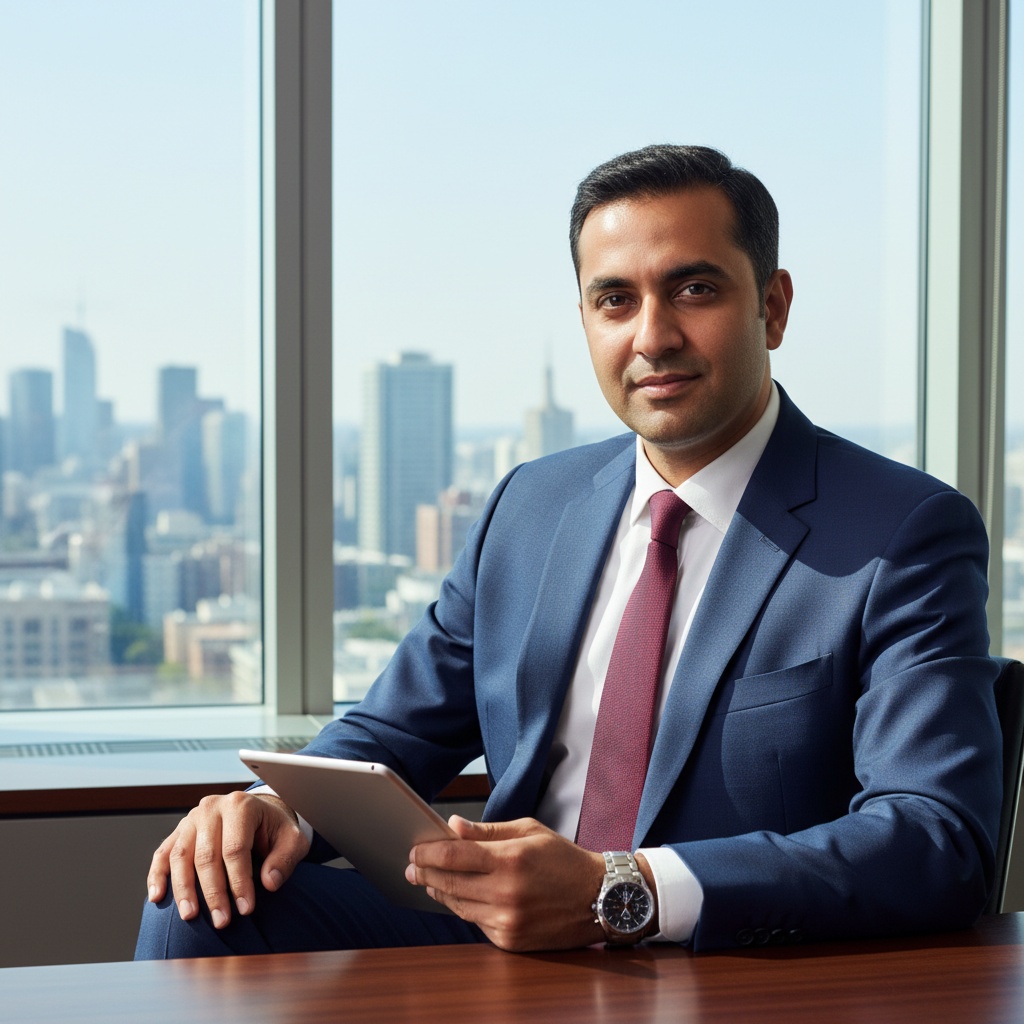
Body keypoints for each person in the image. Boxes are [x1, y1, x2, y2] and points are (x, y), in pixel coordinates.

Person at [136, 144, 1001, 958]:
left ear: (772, 306)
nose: (652, 337)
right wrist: (271, 802)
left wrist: (618, 891)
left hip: (722, 959)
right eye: (615, 300)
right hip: (494, 940)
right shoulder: (530, 506)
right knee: (201, 898)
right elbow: (393, 732)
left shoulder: (901, 532)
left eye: (694, 290)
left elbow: (935, 833)